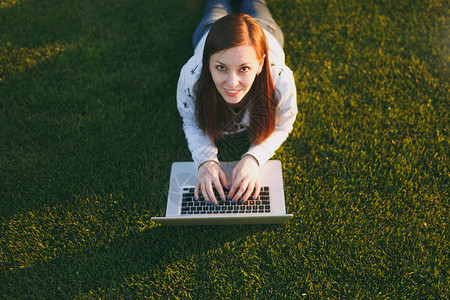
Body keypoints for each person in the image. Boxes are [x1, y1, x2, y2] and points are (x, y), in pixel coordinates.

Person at [177, 0, 297, 206]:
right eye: (221, 67)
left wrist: (254, 159)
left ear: (260, 64)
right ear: (207, 63)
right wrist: (205, 161)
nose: (232, 84)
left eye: (244, 68)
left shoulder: (280, 78)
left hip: (265, 29)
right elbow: (190, 120)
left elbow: (284, 124)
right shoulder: (192, 75)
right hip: (212, 29)